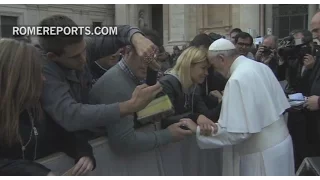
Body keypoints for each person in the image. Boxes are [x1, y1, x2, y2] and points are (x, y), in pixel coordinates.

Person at [181, 38, 295, 176]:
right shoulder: (259, 66)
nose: (214, 71)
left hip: (261, 155)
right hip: (281, 144)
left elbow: (239, 133)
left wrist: (198, 131)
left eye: (213, 65)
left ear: (221, 58)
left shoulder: (237, 79)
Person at [89, 29, 192, 175]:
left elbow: (156, 115)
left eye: (154, 59)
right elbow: (123, 142)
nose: (149, 63)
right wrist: (168, 135)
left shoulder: (136, 76)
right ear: (128, 51)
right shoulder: (116, 85)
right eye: (144, 57)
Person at [38, 15, 162, 135]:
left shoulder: (80, 46)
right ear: (52, 57)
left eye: (84, 50)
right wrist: (130, 106)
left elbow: (120, 32)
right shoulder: (44, 71)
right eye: (75, 57)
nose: (83, 59)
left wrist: (138, 39)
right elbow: (70, 115)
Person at [0, 38, 96, 176]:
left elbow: (62, 134)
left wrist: (84, 153)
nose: (43, 79)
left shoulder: (34, 106)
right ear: (17, 78)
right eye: (37, 73)